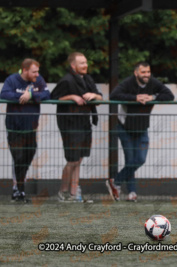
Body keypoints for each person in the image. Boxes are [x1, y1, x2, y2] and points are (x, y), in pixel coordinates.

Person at [107, 62, 174, 202]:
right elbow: (114, 95)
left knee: (140, 159)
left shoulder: (153, 83)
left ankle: (116, 182)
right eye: (143, 72)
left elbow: (169, 95)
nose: (146, 75)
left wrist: (153, 97)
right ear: (136, 73)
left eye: (148, 72)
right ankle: (132, 193)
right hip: (125, 128)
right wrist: (135, 98)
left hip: (142, 128)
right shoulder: (128, 83)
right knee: (130, 160)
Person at [51, 52, 103, 202]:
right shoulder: (66, 81)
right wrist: (71, 97)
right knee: (72, 160)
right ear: (73, 66)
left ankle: (75, 194)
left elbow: (100, 98)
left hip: (85, 122)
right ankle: (63, 192)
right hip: (70, 124)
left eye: (86, 62)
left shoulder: (88, 79)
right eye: (82, 63)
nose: (85, 65)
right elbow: (53, 98)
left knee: (79, 159)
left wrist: (94, 96)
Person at [0, 58, 50, 202]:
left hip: (31, 128)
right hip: (14, 128)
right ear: (25, 70)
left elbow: (47, 94)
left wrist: (32, 95)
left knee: (28, 157)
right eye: (34, 72)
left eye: (38, 71)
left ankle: (19, 188)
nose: (37, 74)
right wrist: (22, 97)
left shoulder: (38, 80)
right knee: (19, 158)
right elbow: (4, 94)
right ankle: (19, 190)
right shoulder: (12, 80)